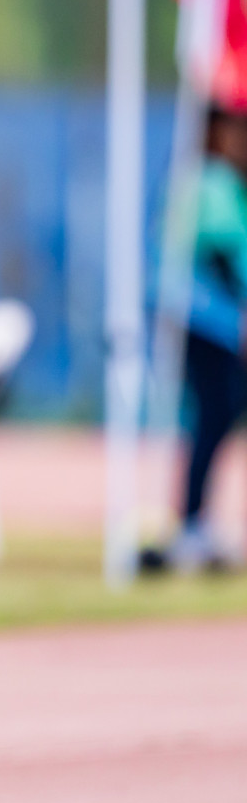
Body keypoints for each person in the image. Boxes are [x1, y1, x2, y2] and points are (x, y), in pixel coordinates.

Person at [143, 103, 247, 574]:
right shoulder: (210, 181)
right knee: (215, 413)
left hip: (203, 318)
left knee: (215, 415)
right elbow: (222, 255)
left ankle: (195, 520)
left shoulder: (203, 179)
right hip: (206, 319)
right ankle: (191, 522)